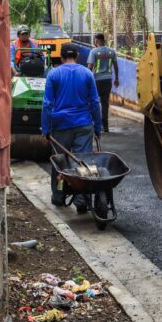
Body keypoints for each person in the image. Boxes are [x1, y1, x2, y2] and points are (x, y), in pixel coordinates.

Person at [42, 42, 103, 212]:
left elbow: (47, 104)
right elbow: (95, 103)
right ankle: (82, 200)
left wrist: (45, 128)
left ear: (61, 57)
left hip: (60, 126)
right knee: (82, 162)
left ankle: (59, 196)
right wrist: (98, 127)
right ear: (77, 56)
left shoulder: (54, 74)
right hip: (84, 125)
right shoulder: (87, 74)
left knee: (60, 162)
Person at [87, 33, 119, 133]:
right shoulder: (111, 51)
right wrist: (116, 78)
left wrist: (86, 79)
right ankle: (106, 126)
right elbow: (116, 66)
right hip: (108, 80)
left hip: (96, 81)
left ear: (96, 41)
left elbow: (90, 67)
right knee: (105, 103)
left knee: (94, 103)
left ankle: (96, 126)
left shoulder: (94, 51)